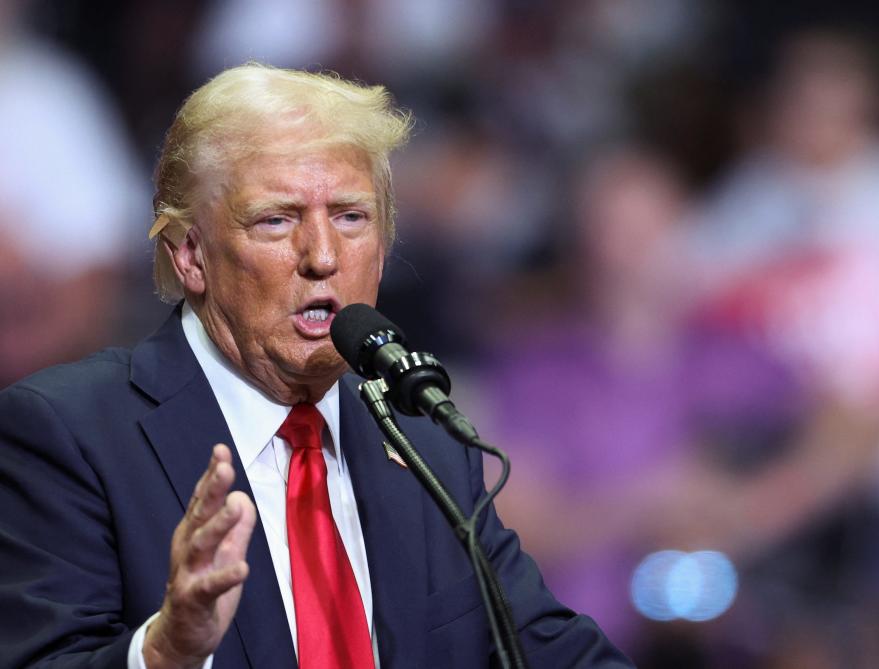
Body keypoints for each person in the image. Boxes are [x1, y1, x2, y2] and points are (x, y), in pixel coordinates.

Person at [0, 64, 631, 668]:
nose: (324, 257)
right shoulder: (68, 435)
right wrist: (164, 653)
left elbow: (544, 649)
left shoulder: (424, 443)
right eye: (277, 221)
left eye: (352, 218)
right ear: (191, 254)